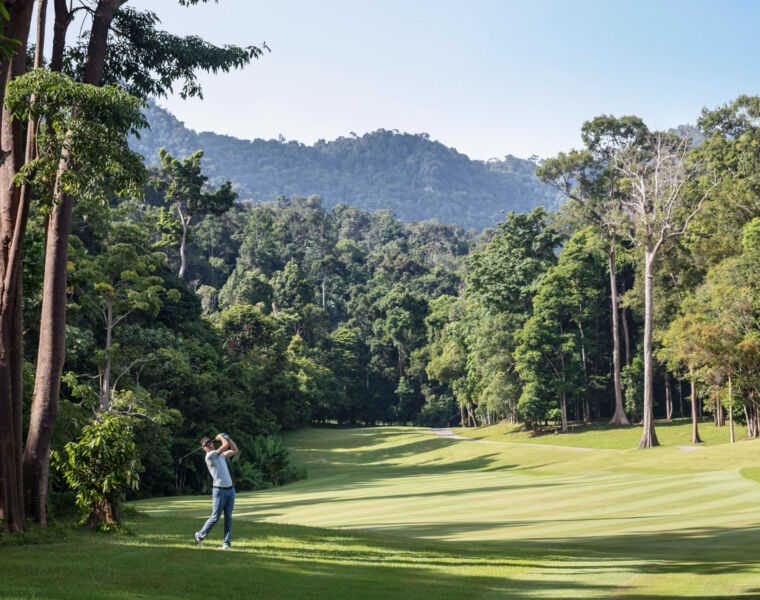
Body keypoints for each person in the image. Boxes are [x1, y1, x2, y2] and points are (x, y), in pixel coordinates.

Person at [194, 433, 239, 549]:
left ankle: (226, 544)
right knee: (215, 517)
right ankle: (199, 535)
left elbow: (234, 450)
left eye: (210, 442)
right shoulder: (210, 456)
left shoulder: (221, 455)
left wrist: (229, 438)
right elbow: (224, 446)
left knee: (229, 518)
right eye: (206, 444)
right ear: (203, 448)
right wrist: (222, 438)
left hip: (230, 490)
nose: (209, 445)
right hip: (219, 491)